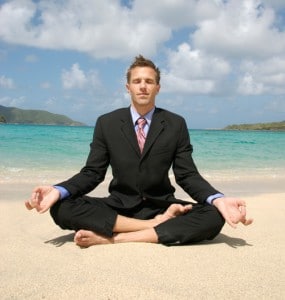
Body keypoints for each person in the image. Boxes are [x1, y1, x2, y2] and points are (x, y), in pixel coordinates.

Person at [25, 55, 253, 247]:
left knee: (214, 216)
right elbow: (92, 173)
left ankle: (115, 239)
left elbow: (187, 175)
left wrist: (218, 199)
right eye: (137, 81)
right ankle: (151, 227)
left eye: (149, 81)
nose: (143, 86)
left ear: (157, 87)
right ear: (128, 87)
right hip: (119, 206)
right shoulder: (107, 123)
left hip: (162, 204)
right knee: (61, 207)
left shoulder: (175, 123)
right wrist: (58, 189)